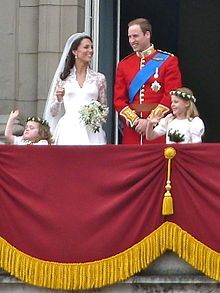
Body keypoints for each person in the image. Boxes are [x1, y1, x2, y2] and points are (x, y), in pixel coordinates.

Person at [114, 18, 182, 144]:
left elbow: (171, 95)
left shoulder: (168, 61)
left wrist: (150, 122)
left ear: (147, 34)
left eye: (135, 36)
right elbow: (119, 100)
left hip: (158, 128)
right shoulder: (124, 64)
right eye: (129, 37)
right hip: (133, 130)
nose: (132, 41)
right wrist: (136, 121)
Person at [43, 33, 108, 145]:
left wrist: (94, 115)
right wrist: (59, 99)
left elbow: (104, 108)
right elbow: (53, 112)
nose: (91, 50)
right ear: (75, 52)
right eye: (86, 47)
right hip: (68, 130)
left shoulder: (99, 78)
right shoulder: (63, 78)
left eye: (91, 47)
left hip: (91, 131)